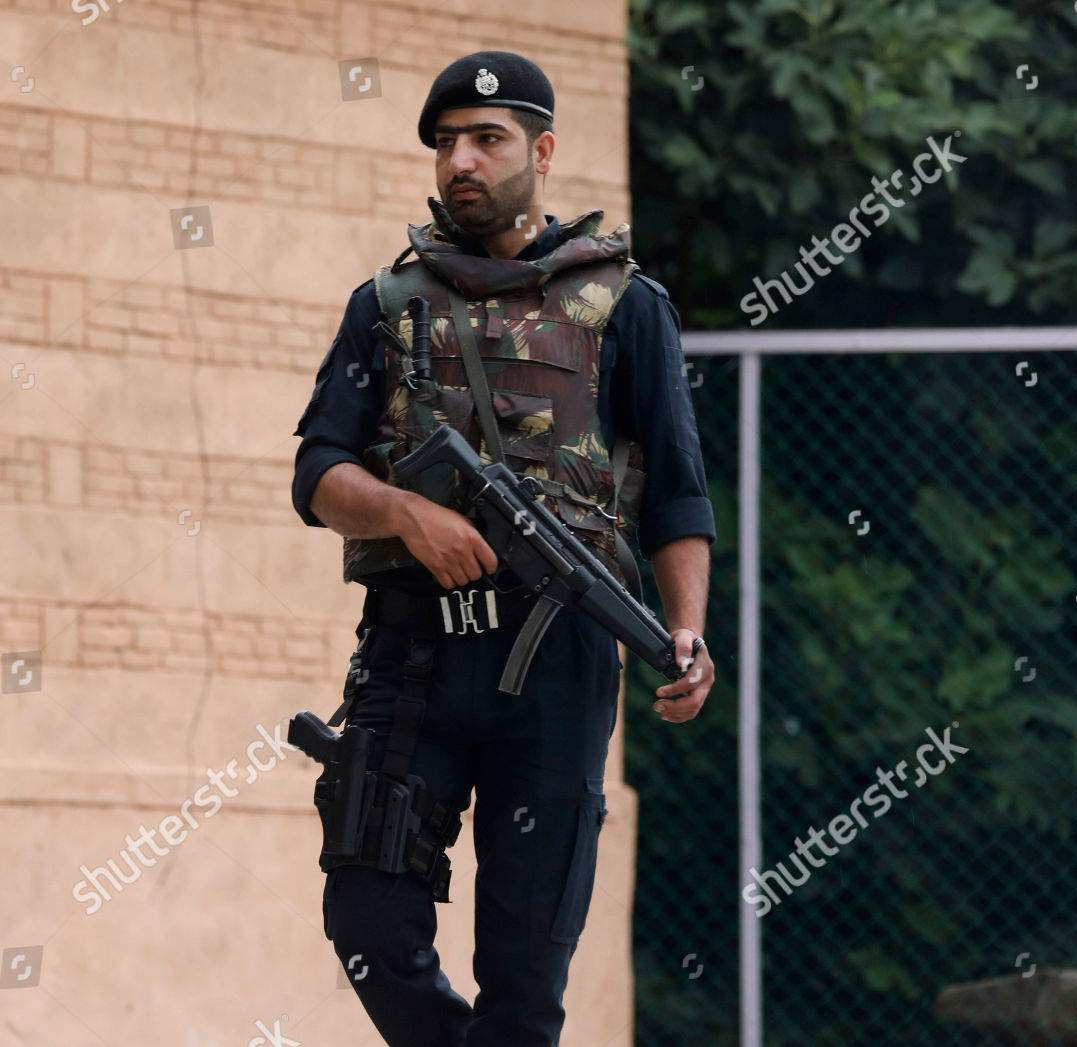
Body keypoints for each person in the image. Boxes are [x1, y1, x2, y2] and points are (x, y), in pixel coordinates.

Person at [290, 49, 716, 1047]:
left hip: (557, 663)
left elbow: (678, 497)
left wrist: (686, 632)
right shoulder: (387, 308)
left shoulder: (623, 306)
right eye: (446, 144)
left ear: (545, 151)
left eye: (487, 139)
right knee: (367, 925)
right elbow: (318, 473)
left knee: (524, 985)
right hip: (413, 655)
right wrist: (405, 515)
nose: (461, 161)